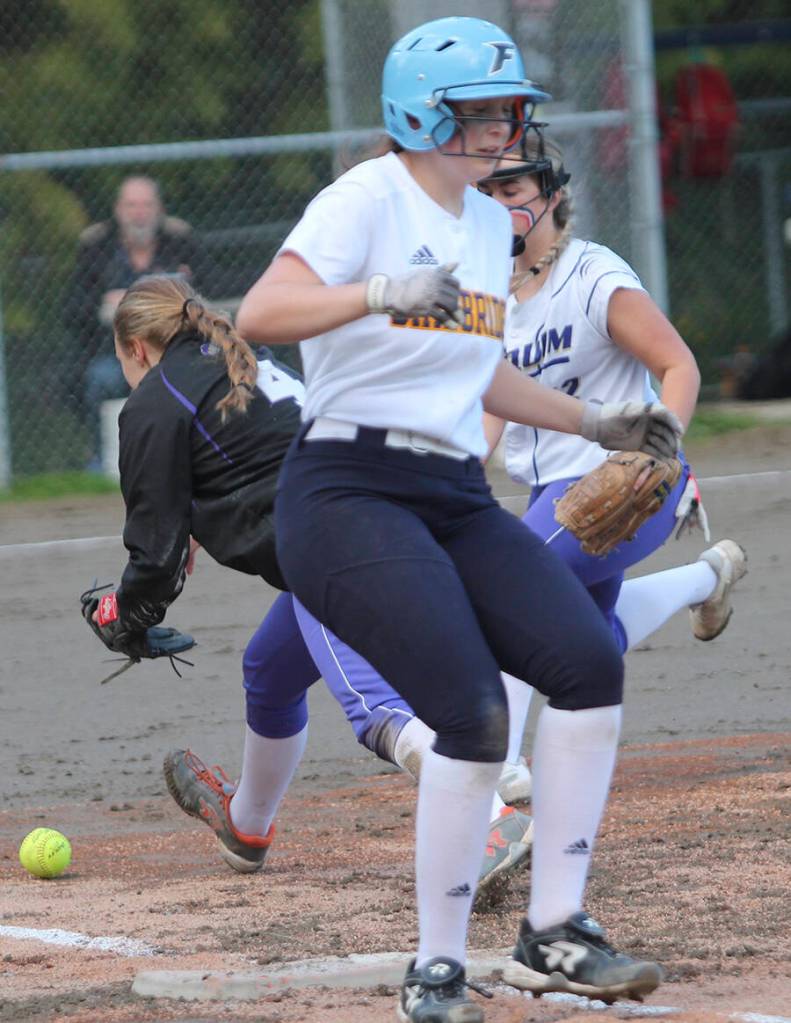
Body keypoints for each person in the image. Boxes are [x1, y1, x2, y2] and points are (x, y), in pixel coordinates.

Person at [234, 15, 682, 1020]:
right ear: (416, 114)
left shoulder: (487, 224)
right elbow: (260, 315)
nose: (499, 128)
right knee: (472, 710)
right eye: (476, 112)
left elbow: (482, 368)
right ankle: (435, 969)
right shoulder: (367, 199)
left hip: (449, 490)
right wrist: (376, 291)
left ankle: (552, 932)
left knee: (583, 658)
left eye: (505, 110)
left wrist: (597, 418)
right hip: (345, 488)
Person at [101, 273, 530, 909]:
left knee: (373, 706)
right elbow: (236, 465)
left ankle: (492, 815)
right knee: (270, 670)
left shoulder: (154, 399)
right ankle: (246, 825)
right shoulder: (236, 352)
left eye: (122, 359)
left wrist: (122, 615)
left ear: (137, 347)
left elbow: (155, 553)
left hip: (333, 539)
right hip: (379, 498)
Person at [463, 135, 748, 798]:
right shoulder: (486, 296)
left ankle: (499, 769)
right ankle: (708, 576)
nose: (497, 203)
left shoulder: (593, 276)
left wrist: (658, 449)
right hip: (549, 493)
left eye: (512, 189)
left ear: (552, 195)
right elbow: (491, 407)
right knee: (588, 642)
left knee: (506, 585)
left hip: (636, 482)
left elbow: (678, 365)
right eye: (485, 192)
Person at [66, 175, 198, 471]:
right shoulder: (96, 246)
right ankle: (102, 460)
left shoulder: (180, 242)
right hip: (114, 352)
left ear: (159, 209)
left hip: (176, 351)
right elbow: (72, 308)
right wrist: (106, 302)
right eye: (131, 205)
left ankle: (188, 454)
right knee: (101, 379)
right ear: (118, 209)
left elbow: (214, 288)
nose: (139, 213)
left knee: (195, 378)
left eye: (146, 205)